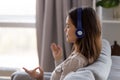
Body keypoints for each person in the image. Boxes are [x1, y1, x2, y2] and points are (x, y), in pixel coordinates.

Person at [22, 7, 102, 80]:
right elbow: (62, 76)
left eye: (68, 26)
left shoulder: (76, 61)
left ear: (80, 31)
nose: (65, 30)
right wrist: (58, 59)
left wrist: (40, 79)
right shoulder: (80, 56)